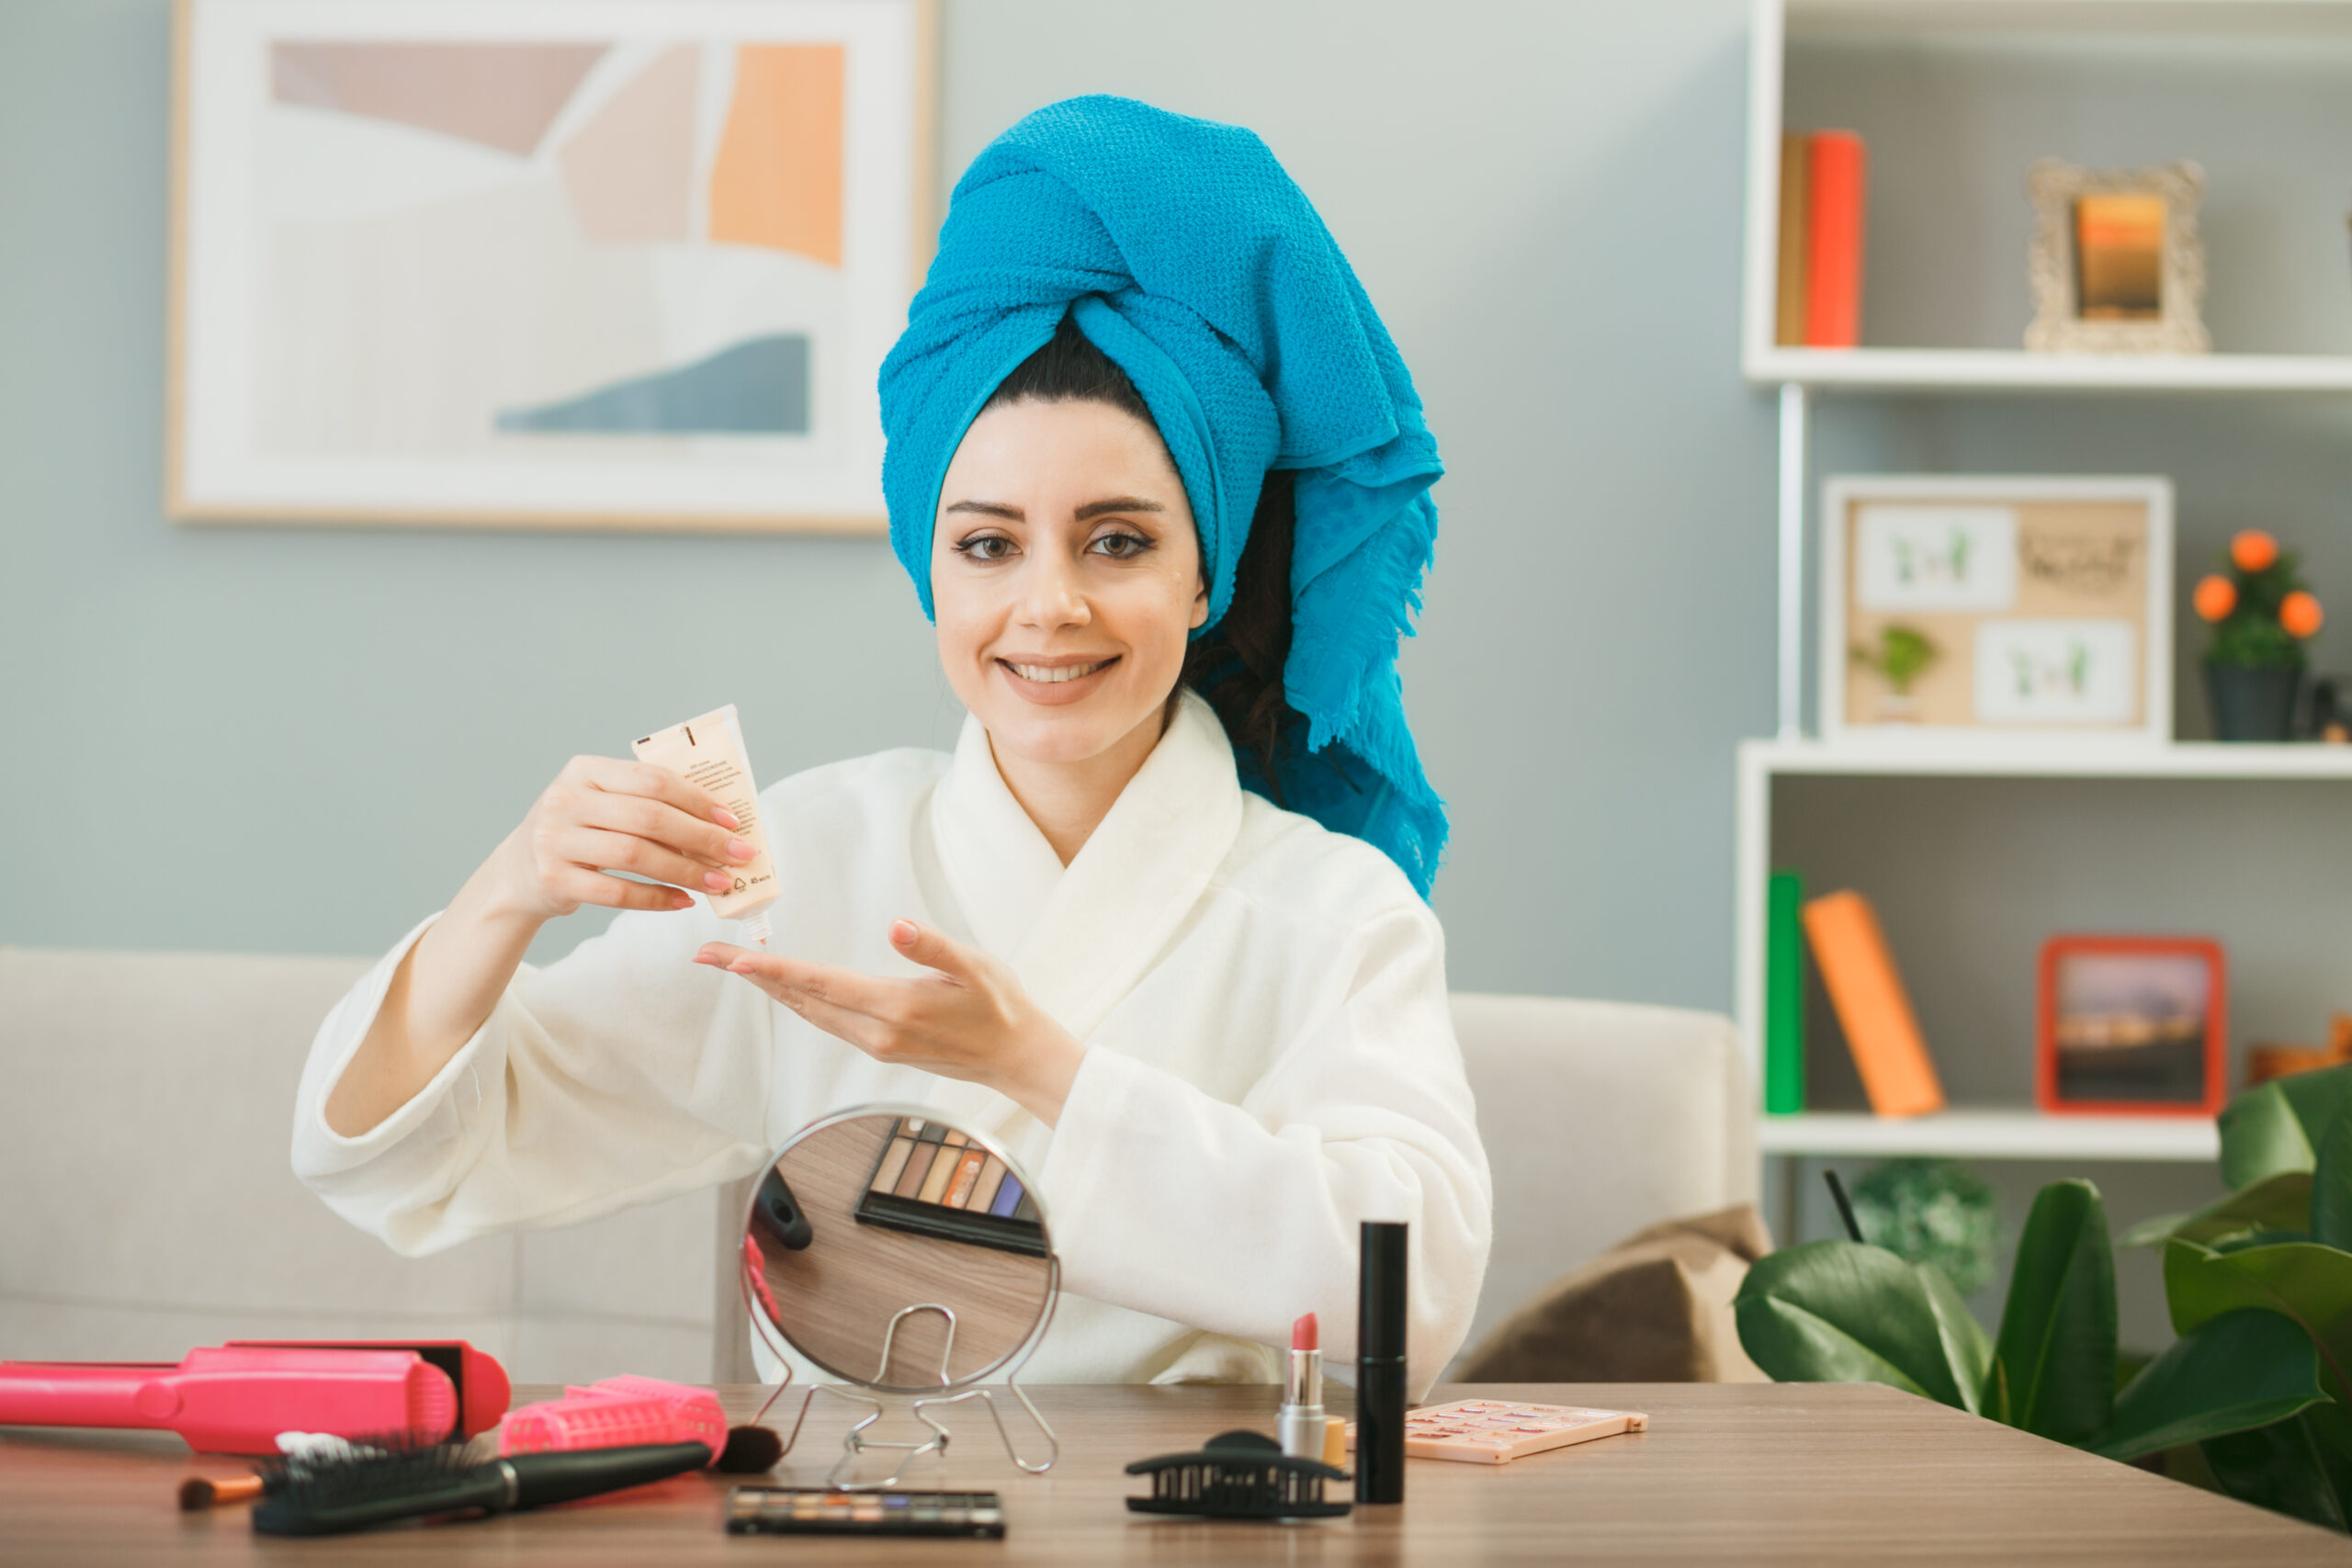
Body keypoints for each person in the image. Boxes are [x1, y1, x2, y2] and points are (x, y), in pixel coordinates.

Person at [293, 96, 1491, 1391]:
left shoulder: (1332, 909)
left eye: (1120, 541)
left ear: (1205, 581)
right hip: (848, 1511)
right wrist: (510, 892)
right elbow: (403, 1152)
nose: (1049, 605)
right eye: (987, 544)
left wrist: (1037, 1070)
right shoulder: (806, 864)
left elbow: (1407, 1296)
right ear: (934, 576)